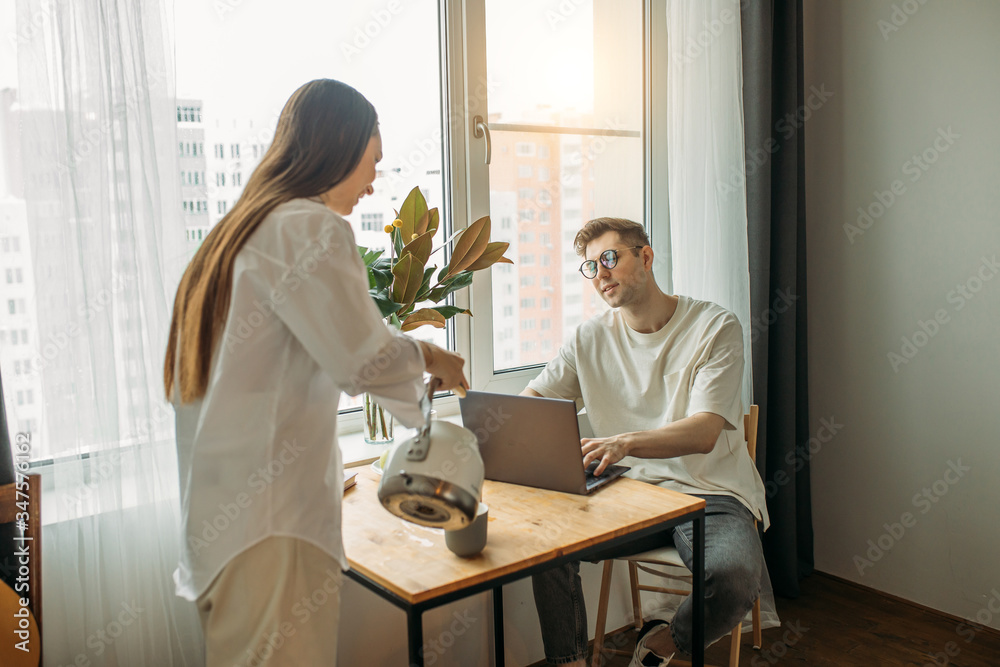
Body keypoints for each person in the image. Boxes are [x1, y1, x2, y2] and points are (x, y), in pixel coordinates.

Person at [163, 79, 469, 666]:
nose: (374, 181)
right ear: (338, 143)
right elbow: (363, 357)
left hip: (222, 529)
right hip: (272, 527)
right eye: (372, 162)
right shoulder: (308, 227)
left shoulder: (231, 237)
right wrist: (432, 356)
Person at [524, 217, 770, 667]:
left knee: (735, 576)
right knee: (546, 547)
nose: (600, 273)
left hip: (710, 492)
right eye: (590, 266)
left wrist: (624, 443)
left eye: (610, 258)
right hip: (625, 491)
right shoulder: (587, 338)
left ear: (646, 257)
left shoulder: (715, 326)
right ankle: (572, 662)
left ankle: (663, 642)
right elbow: (533, 401)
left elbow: (704, 431)